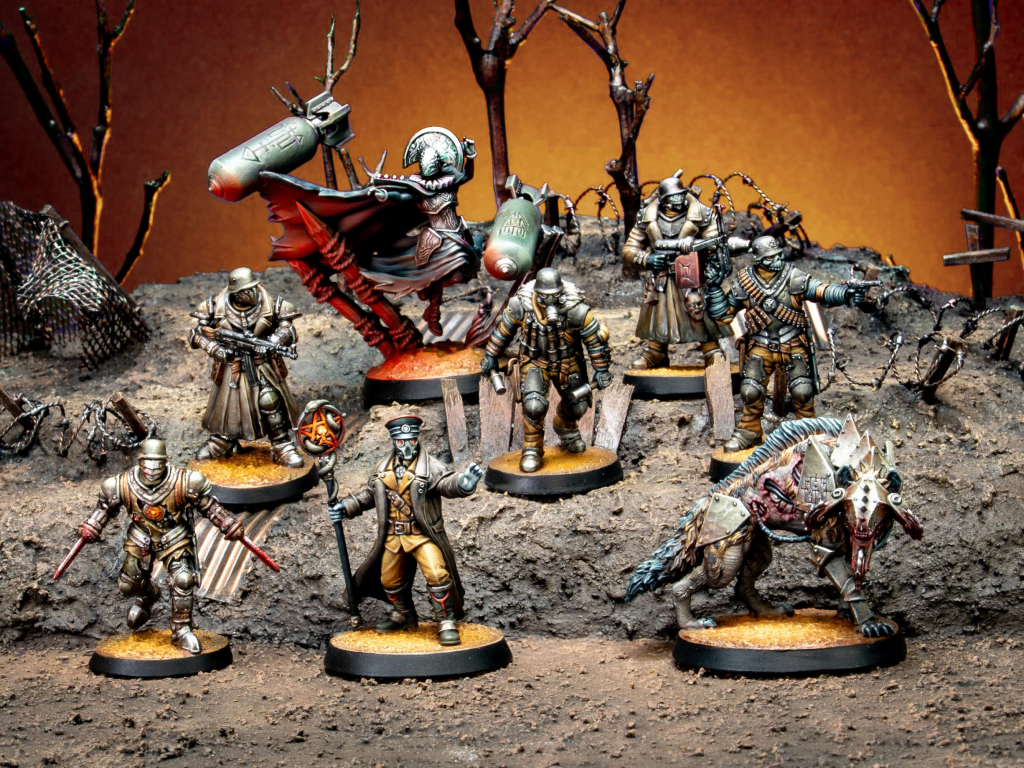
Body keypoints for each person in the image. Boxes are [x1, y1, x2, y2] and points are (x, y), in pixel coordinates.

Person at [76, 439, 245, 653]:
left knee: (183, 579)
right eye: (148, 463)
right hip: (140, 537)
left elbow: (209, 506)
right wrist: (93, 525)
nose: (152, 469)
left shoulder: (184, 481)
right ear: (140, 462)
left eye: (157, 463)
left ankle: (182, 630)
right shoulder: (122, 484)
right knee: (127, 586)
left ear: (165, 462)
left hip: (174, 537)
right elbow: (104, 509)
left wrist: (226, 523)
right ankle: (148, 594)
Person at [704, 236, 869, 452]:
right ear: (758, 259)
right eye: (770, 258)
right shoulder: (745, 282)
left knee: (803, 391)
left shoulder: (794, 277)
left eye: (778, 255)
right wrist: (714, 287)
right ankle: (749, 430)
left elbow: (821, 291)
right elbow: (724, 315)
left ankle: (808, 433)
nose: (776, 260)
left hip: (793, 344)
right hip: (760, 345)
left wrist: (846, 293)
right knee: (750, 391)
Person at [335, 416, 483, 646]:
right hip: (394, 537)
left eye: (411, 440)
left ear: (417, 439)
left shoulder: (430, 466)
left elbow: (446, 482)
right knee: (389, 580)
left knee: (437, 574)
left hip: (422, 535)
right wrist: (345, 507)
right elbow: (369, 495)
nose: (407, 446)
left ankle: (446, 621)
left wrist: (463, 484)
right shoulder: (382, 469)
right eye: (401, 442)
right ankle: (405, 615)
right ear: (394, 441)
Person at [480, 267, 613, 472]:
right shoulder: (521, 306)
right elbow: (503, 331)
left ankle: (566, 428)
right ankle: (532, 448)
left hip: (567, 363)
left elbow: (595, 341)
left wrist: (601, 369)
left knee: (577, 405)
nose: (550, 301)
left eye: (555, 295)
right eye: (544, 296)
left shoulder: (575, 310)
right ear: (536, 293)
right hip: (535, 363)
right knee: (533, 406)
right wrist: (491, 355)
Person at [188, 267, 303, 468]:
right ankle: (223, 440)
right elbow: (197, 334)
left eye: (253, 288)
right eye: (245, 291)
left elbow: (288, 329)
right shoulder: (213, 306)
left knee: (269, 400)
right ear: (235, 293)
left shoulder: (274, 305)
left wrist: (273, 342)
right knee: (227, 404)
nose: (251, 293)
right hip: (231, 365)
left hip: (261, 362)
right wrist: (215, 349)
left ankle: (281, 444)